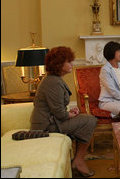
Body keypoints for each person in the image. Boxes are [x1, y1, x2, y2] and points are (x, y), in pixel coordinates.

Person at [30, 46, 97, 177]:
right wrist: (69, 114)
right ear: (59, 64)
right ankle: (79, 160)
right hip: (45, 127)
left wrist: (70, 112)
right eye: (69, 61)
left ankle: (77, 160)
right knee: (90, 120)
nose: (72, 64)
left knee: (85, 119)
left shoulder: (53, 80)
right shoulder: (53, 82)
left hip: (51, 122)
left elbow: (56, 109)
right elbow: (60, 114)